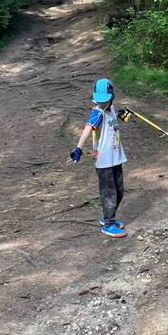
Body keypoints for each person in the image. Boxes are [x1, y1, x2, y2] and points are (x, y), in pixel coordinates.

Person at [69, 78, 128, 238]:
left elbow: (112, 121)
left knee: (120, 189)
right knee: (109, 192)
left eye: (105, 101)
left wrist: (120, 114)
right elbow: (88, 129)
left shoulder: (111, 108)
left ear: (112, 97)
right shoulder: (98, 112)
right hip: (103, 161)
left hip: (115, 157)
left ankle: (107, 217)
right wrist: (78, 149)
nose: (102, 103)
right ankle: (108, 224)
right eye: (99, 101)